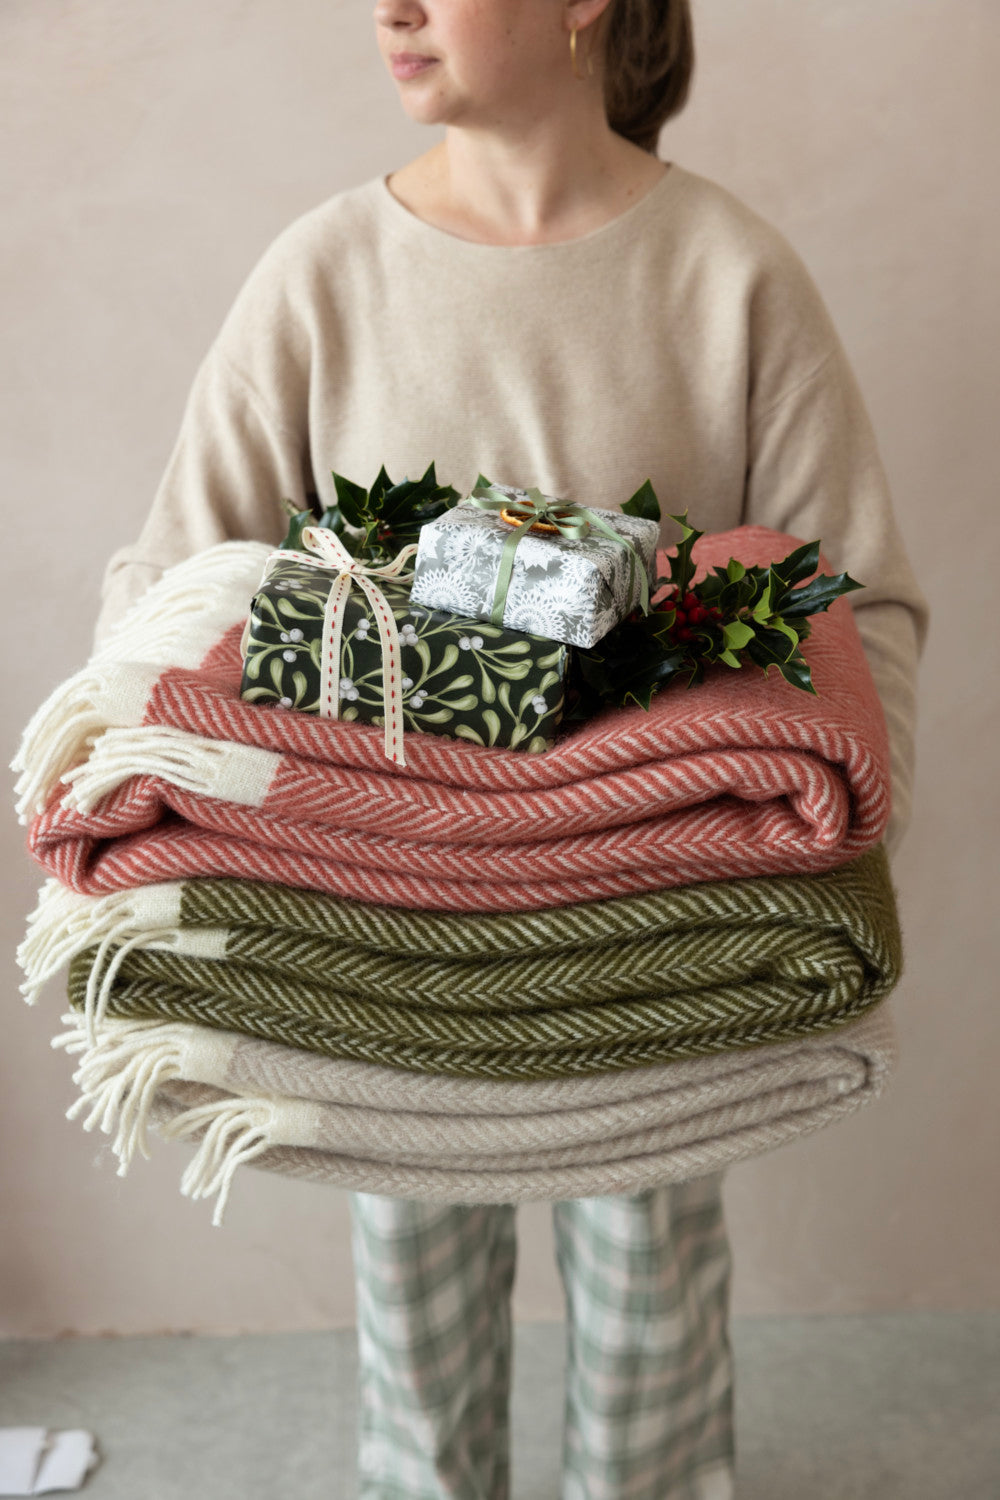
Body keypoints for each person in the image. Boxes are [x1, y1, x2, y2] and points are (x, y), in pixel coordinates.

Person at [92, 0, 928, 1495]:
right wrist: (125, 824)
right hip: (387, 919)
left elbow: (853, 598)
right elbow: (173, 580)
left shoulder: (726, 274)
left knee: (655, 1265)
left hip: (659, 923)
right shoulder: (326, 276)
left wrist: (838, 835)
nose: (389, 8)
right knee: (410, 1271)